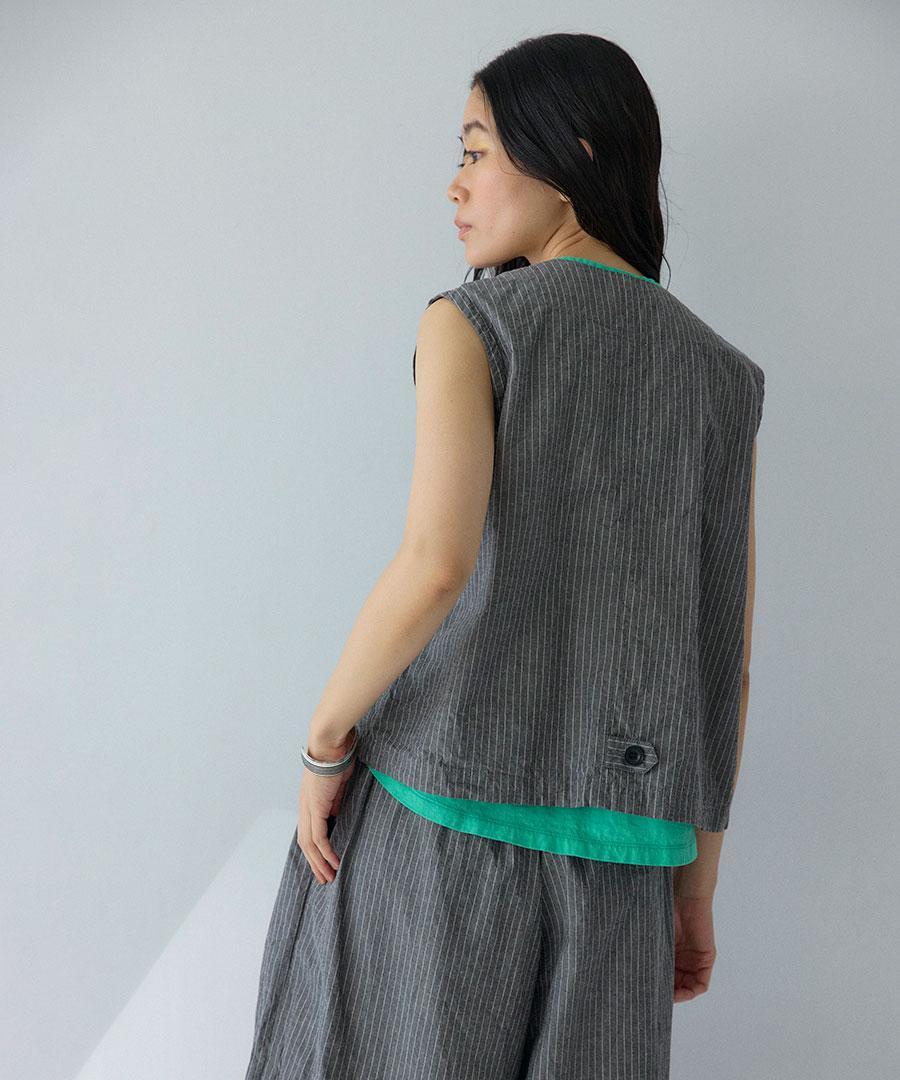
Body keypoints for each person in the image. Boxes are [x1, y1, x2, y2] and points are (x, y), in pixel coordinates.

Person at [245, 31, 764, 1080]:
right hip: (627, 864)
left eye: (476, 150)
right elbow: (724, 656)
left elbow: (433, 566)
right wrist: (696, 888)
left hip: (439, 828)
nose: (455, 184)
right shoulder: (722, 375)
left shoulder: (476, 324)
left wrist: (324, 742)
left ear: (572, 152)